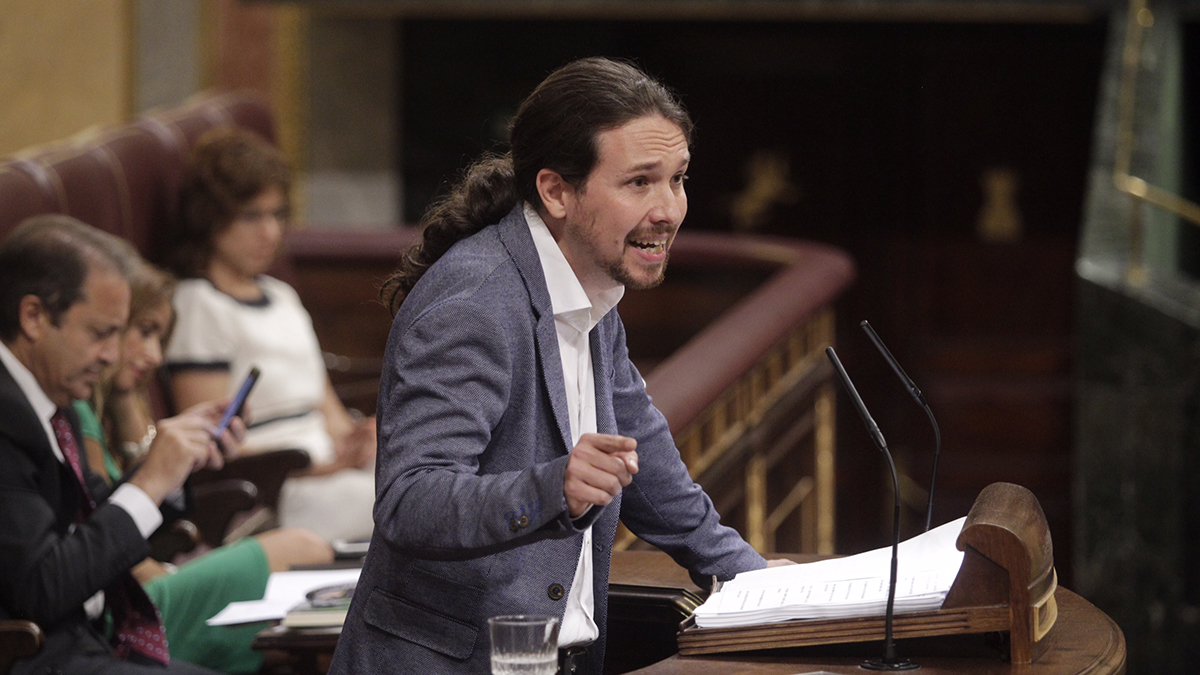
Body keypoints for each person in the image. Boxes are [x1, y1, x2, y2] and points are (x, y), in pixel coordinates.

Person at [330, 57, 785, 675]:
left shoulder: (592, 283)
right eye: (639, 183)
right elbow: (410, 501)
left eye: (676, 179)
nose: (669, 210)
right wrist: (553, 488)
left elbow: (641, 458)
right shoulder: (476, 302)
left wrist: (749, 576)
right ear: (556, 191)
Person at [0, 215, 237, 675]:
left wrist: (174, 465)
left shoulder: (51, 394)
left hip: (87, 642)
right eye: (100, 333)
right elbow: (44, 588)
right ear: (33, 317)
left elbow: (94, 515)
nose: (111, 355)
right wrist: (148, 483)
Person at [76, 256, 333, 673]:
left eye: (161, 338)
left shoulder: (121, 403)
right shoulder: (76, 415)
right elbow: (104, 537)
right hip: (129, 605)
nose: (155, 356)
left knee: (316, 608)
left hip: (153, 577)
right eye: (142, 332)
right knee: (305, 552)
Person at [163, 127, 376, 542]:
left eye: (277, 215)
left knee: (440, 476)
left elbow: (327, 411)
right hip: (275, 491)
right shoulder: (198, 304)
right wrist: (321, 468)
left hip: (329, 472)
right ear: (211, 218)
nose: (271, 233)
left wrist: (358, 440)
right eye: (251, 216)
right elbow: (211, 448)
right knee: (415, 504)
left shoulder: (281, 295)